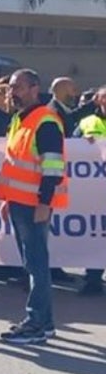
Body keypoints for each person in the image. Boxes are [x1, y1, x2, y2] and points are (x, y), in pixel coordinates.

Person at [0, 69, 68, 345]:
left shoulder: (45, 121)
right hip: (20, 202)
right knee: (34, 264)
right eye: (11, 87)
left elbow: (53, 167)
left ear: (35, 88)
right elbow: (16, 164)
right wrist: (8, 199)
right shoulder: (20, 119)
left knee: (36, 265)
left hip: (34, 204)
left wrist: (44, 203)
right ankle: (45, 323)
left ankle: (35, 324)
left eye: (18, 87)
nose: (12, 92)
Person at [76, 86, 106, 295]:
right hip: (94, 191)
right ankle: (93, 279)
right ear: (98, 100)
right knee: (96, 234)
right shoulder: (87, 122)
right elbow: (70, 146)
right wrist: (82, 145)